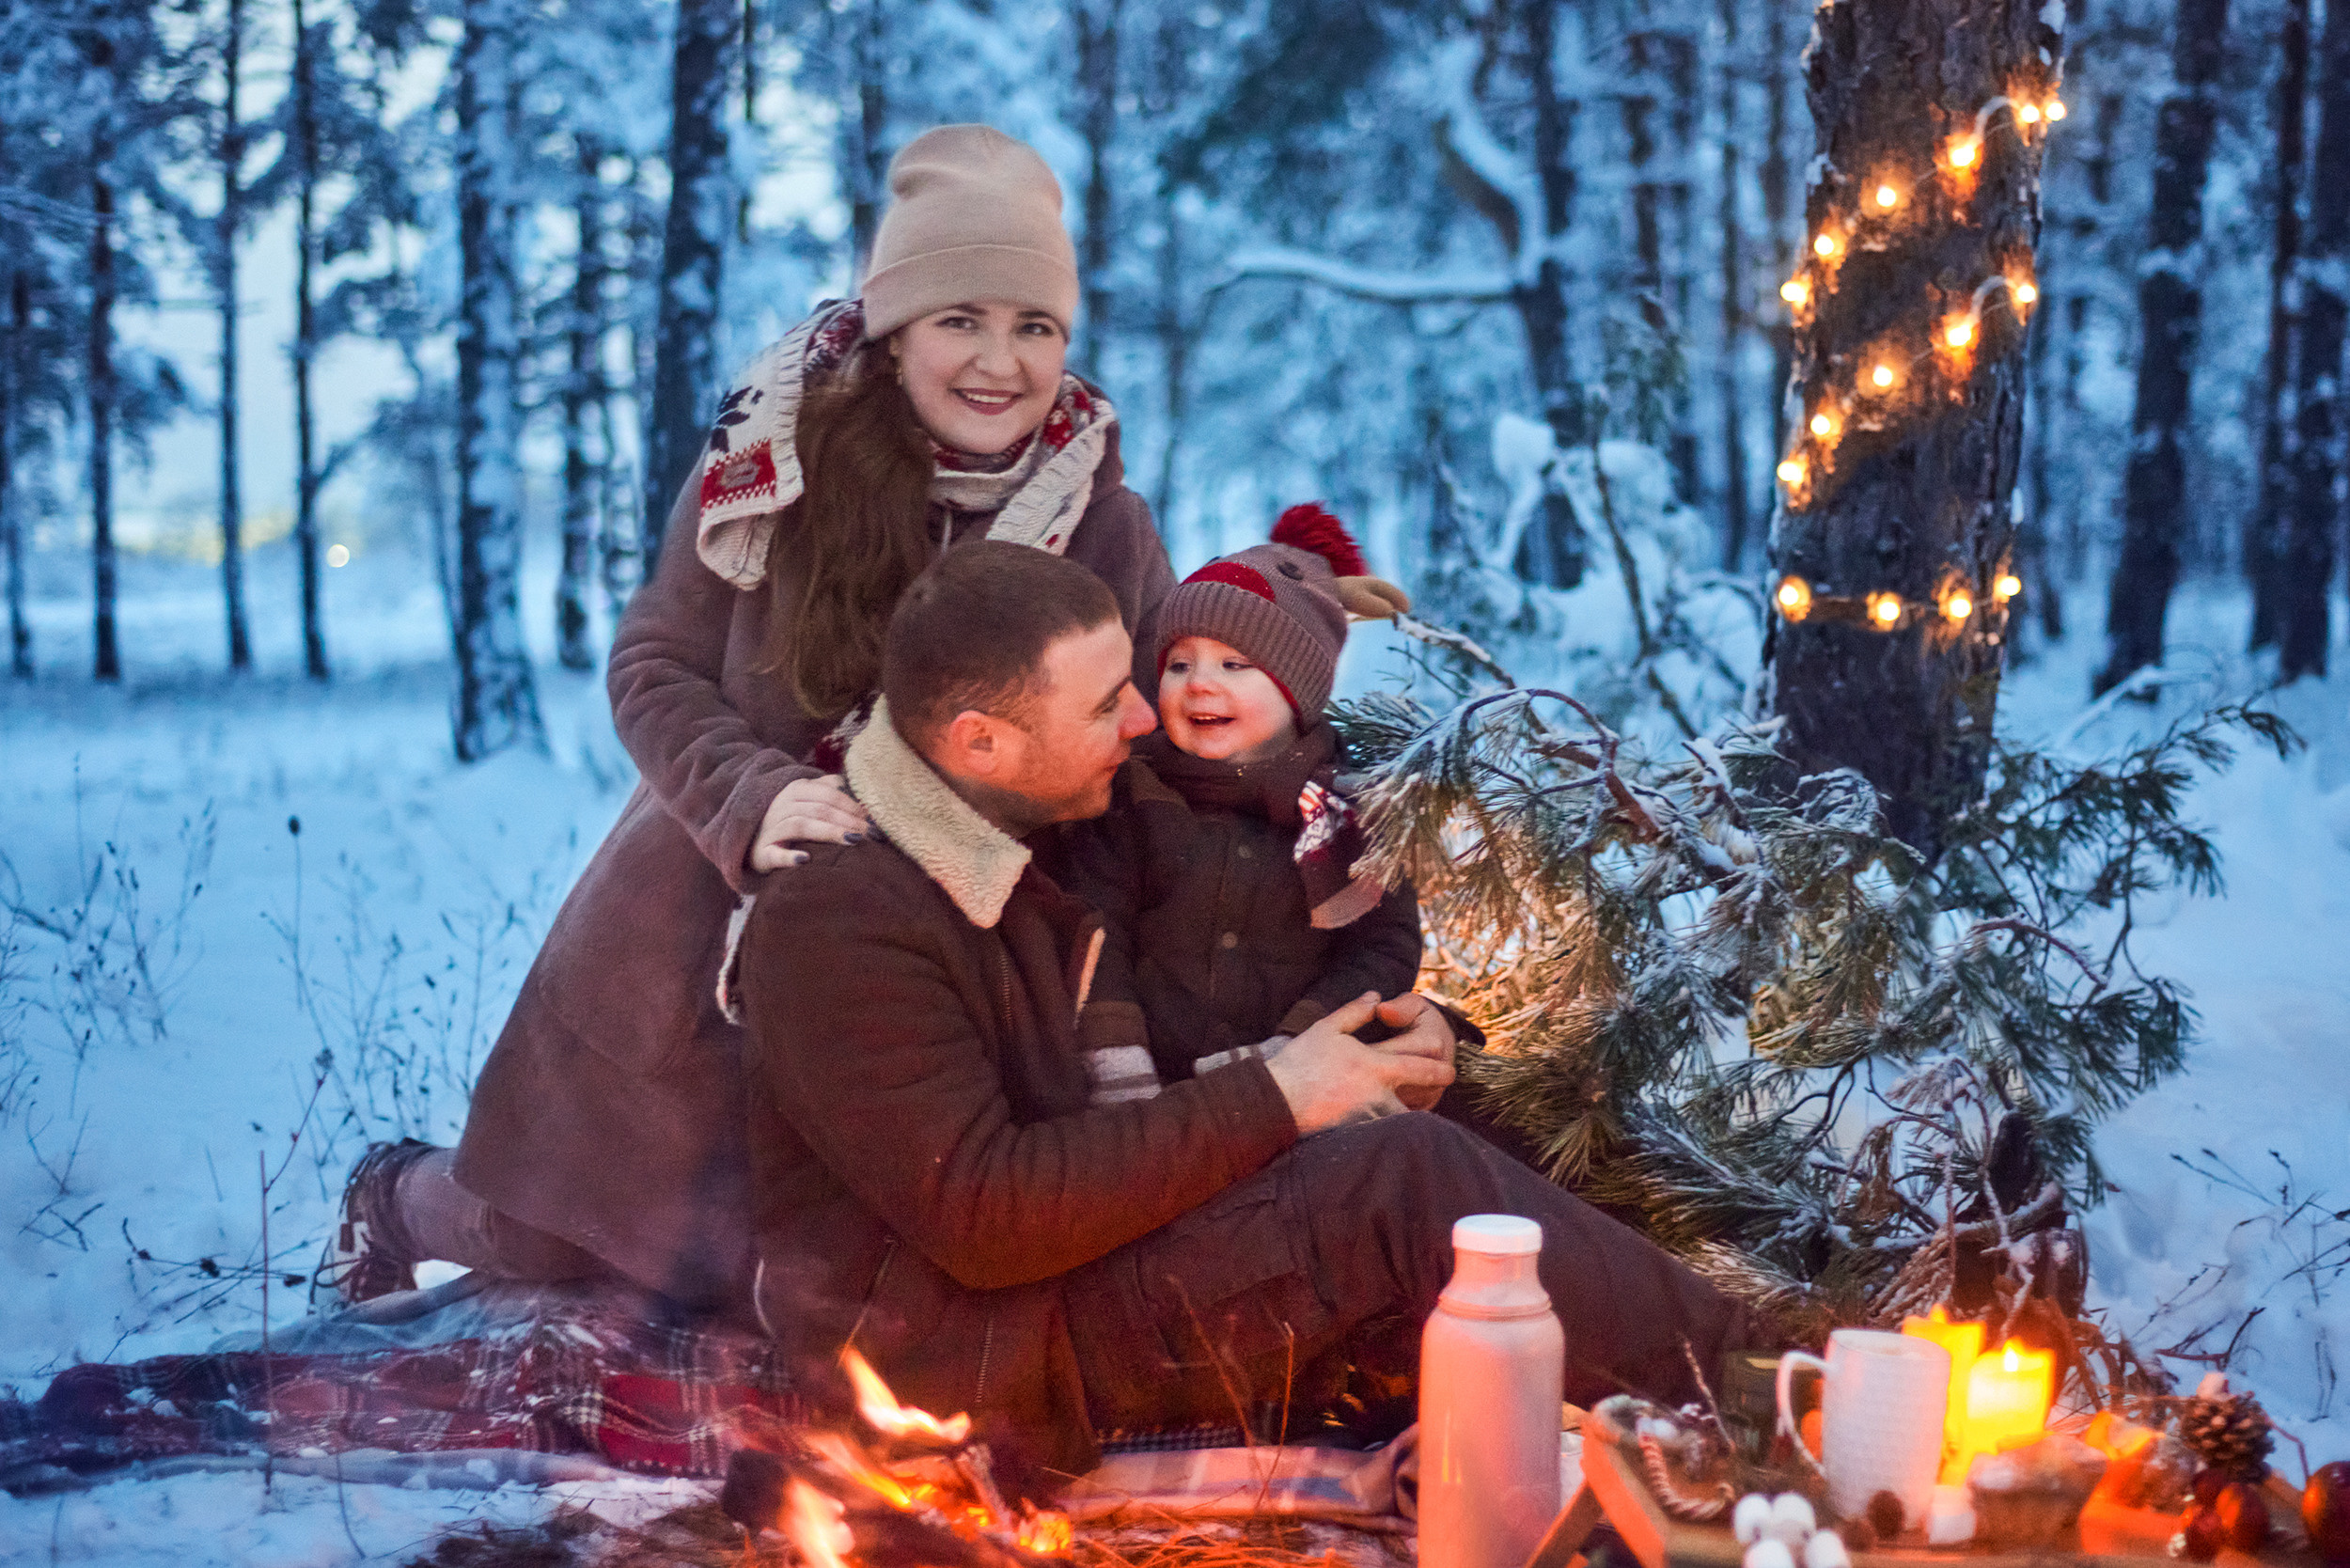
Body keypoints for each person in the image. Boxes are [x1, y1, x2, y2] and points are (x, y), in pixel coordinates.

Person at [324, 125, 1176, 1310]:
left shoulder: (1100, 519)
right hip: (703, 912)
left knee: (803, 1276)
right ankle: (397, 1193)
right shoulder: (776, 458)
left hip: (935, 952)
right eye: (960, 319)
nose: (1001, 361)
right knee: (584, 1236)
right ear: (897, 328)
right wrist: (754, 793)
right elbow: (653, 662)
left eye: (1034, 325)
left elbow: (1142, 734)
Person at [735, 541, 1756, 1491]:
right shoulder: (841, 925)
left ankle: (1762, 1310)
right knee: (1403, 1176)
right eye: (1106, 706)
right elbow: (984, 1218)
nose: (1144, 719)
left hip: (1075, 1256)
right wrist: (1280, 1096)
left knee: (1471, 1105)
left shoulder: (1021, 826)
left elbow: (1199, 1002)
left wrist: (1388, 1037)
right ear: (982, 743)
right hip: (982, 1354)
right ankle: (1771, 1407)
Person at [1040, 504, 1426, 1104]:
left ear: (1298, 690)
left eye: (1234, 664)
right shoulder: (1136, 795)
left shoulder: (1349, 811)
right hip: (1148, 1091)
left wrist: (1303, 1043)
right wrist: (1117, 1061)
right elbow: (1095, 923)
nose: (1198, 683)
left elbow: (1382, 948)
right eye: (1178, 663)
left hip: (1304, 1083)